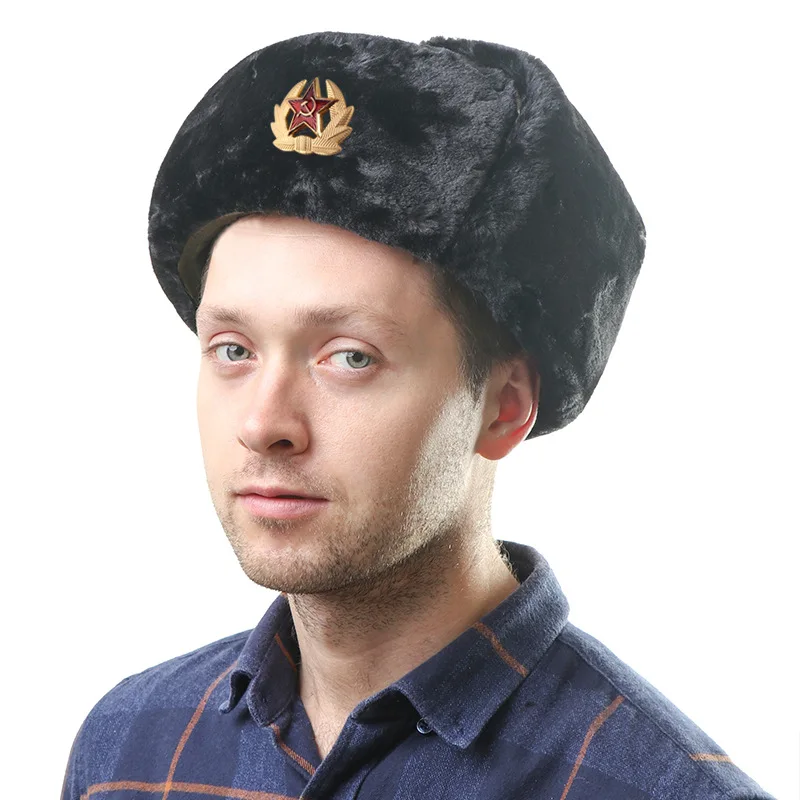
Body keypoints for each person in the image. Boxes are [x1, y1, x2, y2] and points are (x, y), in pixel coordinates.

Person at [60, 31, 775, 800]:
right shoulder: (127, 748)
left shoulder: (652, 788)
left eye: (350, 357)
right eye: (234, 350)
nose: (263, 424)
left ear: (504, 408)